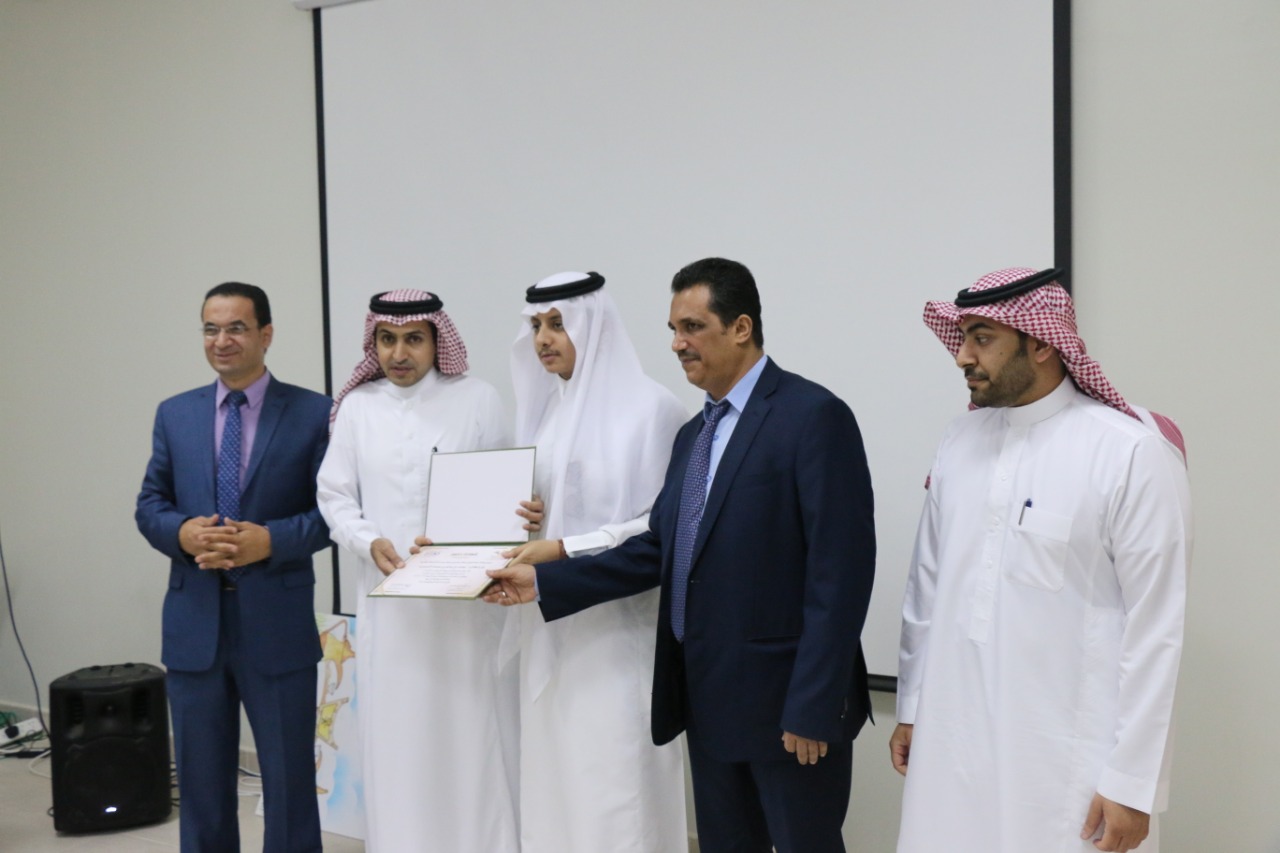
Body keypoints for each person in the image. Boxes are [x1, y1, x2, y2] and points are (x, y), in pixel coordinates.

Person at [486, 258, 876, 853]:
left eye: (692, 327)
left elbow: (839, 574)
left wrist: (813, 704)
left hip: (788, 709)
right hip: (709, 702)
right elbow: (658, 550)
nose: (677, 344)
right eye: (673, 329)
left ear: (741, 328)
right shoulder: (696, 434)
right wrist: (544, 583)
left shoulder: (812, 416)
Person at [890, 267, 1193, 853]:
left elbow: (1156, 629)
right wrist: (913, 705)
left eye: (982, 339)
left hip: (1067, 759)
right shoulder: (958, 441)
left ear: (1043, 343)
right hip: (952, 744)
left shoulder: (1130, 453)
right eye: (963, 338)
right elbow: (926, 588)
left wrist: (1133, 782)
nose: (962, 356)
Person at [315, 289, 518, 852]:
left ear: (436, 341)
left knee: (468, 731)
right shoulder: (358, 408)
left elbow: (503, 491)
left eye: (413, 339)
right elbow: (334, 496)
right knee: (398, 735)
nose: (398, 353)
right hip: (391, 608)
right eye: (387, 339)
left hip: (465, 611)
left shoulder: (476, 399)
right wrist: (369, 541)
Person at [136, 282, 331, 853]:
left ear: (266, 335)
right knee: (200, 783)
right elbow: (150, 504)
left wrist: (270, 541)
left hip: (277, 623)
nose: (222, 340)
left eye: (236, 328)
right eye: (211, 329)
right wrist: (181, 533)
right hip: (194, 624)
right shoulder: (175, 413)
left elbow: (332, 514)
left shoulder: (314, 413)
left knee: (289, 780)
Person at [501, 271, 689, 852]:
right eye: (536, 325)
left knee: (616, 786)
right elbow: (550, 514)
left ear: (594, 325)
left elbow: (660, 526)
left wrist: (565, 547)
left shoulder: (653, 410)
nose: (543, 339)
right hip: (547, 626)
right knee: (556, 784)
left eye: (558, 324)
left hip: (618, 637)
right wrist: (526, 522)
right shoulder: (547, 413)